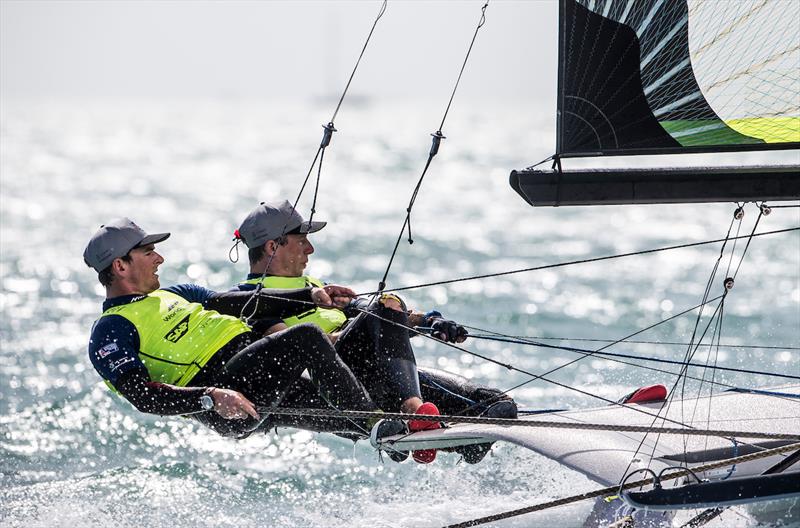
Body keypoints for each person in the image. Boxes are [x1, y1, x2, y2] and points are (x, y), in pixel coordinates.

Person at [230, 201, 517, 463]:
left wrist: (429, 323)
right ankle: (415, 412)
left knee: (495, 404)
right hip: (338, 384)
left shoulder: (317, 285)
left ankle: (439, 437)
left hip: (381, 373)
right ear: (272, 247)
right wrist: (361, 325)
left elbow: (375, 316)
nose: (310, 249)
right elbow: (297, 349)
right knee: (386, 302)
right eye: (301, 241)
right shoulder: (249, 300)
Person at [83, 217, 404, 443]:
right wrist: (210, 398)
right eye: (148, 252)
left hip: (262, 373)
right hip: (225, 393)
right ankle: (375, 424)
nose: (160, 258)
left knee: (355, 390)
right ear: (120, 266)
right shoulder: (111, 330)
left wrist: (310, 296)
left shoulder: (176, 293)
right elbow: (143, 396)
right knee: (306, 336)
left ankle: (411, 430)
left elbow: (247, 303)